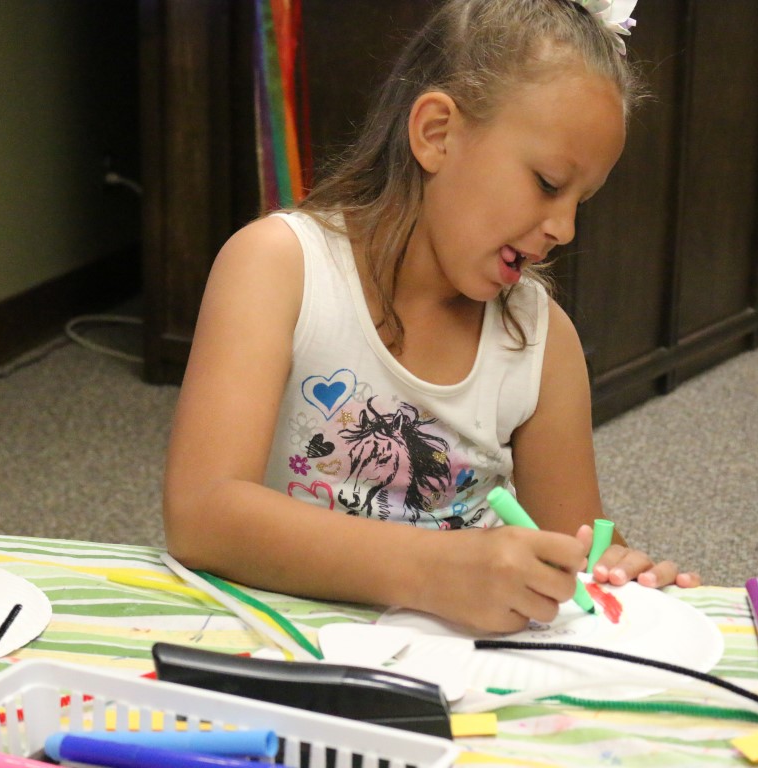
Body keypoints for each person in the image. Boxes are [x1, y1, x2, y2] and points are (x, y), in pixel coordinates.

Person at [163, 0, 700, 634]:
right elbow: (201, 515)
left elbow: (572, 548)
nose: (564, 227)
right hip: (296, 644)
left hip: (468, 665)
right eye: (548, 183)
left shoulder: (542, 340)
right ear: (437, 133)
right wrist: (435, 570)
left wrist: (609, 571)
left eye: (582, 200)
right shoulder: (278, 268)